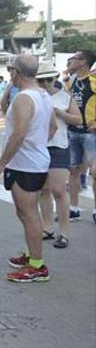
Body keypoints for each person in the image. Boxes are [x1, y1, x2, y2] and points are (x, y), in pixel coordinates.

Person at [0, 55, 55, 283]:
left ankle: (37, 265)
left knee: (29, 214)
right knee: (25, 213)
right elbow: (52, 127)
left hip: (26, 164)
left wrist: (0, 164)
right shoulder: (43, 95)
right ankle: (32, 254)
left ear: (16, 73)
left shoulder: (24, 98)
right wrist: (38, 146)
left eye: (11, 71)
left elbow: (19, 134)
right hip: (34, 161)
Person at [36, 63, 80, 249]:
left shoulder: (65, 97)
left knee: (59, 190)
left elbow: (78, 120)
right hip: (37, 147)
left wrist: (60, 113)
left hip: (58, 146)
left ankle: (64, 232)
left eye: (49, 79)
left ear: (54, 78)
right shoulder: (32, 96)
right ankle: (47, 227)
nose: (45, 83)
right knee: (43, 190)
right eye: (41, 80)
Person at [65, 50, 96, 222]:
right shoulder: (71, 81)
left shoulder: (93, 81)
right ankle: (74, 209)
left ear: (83, 62)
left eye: (74, 58)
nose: (70, 61)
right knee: (73, 171)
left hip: (90, 134)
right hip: (73, 132)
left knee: (95, 173)